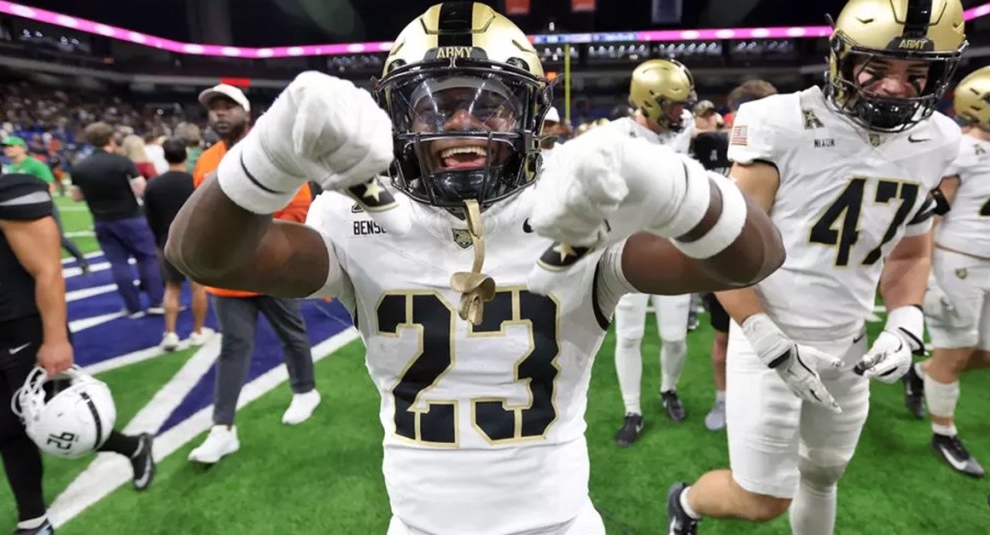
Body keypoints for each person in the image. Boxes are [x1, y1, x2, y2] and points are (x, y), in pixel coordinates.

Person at [166, 3, 785, 533]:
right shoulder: (350, 216)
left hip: (560, 521)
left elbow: (754, 258)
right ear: (396, 120)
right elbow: (203, 256)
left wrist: (671, 186)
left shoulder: (574, 207)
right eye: (434, 108)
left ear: (529, 115)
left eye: (490, 106)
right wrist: (271, 154)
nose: (461, 123)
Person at [667, 1, 967, 533]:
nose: (897, 87)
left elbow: (911, 251)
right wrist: (766, 339)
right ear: (841, 59)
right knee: (762, 499)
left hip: (850, 344)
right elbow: (723, 250)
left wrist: (905, 321)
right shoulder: (780, 121)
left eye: (917, 73)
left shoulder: (939, 140)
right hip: (767, 336)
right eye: (878, 68)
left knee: (824, 475)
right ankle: (686, 503)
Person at [0, 111, 155, 535]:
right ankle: (35, 520)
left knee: (54, 425)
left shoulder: (3, 192)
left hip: (25, 332)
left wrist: (54, 338)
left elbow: (47, 270)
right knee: (2, 429)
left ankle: (131, 447)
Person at [185, 83, 321, 464]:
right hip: (227, 276)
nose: (220, 114)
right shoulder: (205, 161)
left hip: (270, 270)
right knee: (232, 347)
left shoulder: (274, 151)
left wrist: (250, 235)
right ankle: (222, 429)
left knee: (291, 334)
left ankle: (305, 389)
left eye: (228, 106)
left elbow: (299, 208)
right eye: (214, 109)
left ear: (246, 112)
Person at [597, 58, 699, 445]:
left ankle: (669, 388)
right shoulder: (613, 138)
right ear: (651, 101)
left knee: (675, 337)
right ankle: (632, 409)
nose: (683, 111)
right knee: (629, 336)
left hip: (674, 248)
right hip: (630, 252)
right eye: (675, 104)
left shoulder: (684, 127)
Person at [902, 65, 990, 478]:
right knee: (954, 354)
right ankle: (944, 433)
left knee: (983, 354)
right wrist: (929, 278)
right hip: (959, 264)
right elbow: (931, 217)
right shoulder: (966, 151)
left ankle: (922, 372)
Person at [690, 79, 777, 432]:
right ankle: (724, 400)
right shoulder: (714, 144)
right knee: (725, 337)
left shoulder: (789, 150)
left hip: (778, 263)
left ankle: (767, 404)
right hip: (728, 257)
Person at [70, 122, 164, 316]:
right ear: (111, 140)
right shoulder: (122, 162)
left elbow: (76, 196)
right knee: (147, 258)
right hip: (130, 217)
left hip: (102, 220)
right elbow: (141, 189)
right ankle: (156, 302)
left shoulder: (80, 167)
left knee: (118, 264)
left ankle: (132, 306)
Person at [142, 138, 213, 351]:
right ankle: (197, 332)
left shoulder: (153, 184)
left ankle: (170, 333)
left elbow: (150, 218)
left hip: (167, 239)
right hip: (196, 241)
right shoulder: (195, 181)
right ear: (186, 155)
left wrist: (158, 241)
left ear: (165, 156)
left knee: (172, 288)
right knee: (198, 287)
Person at [1, 135, 89, 273]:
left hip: (42, 207)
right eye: (5, 147)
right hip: (22, 210)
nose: (7, 149)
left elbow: (50, 186)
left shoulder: (35, 165)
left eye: (10, 146)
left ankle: (81, 260)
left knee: (58, 237)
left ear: (22, 148)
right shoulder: (10, 168)